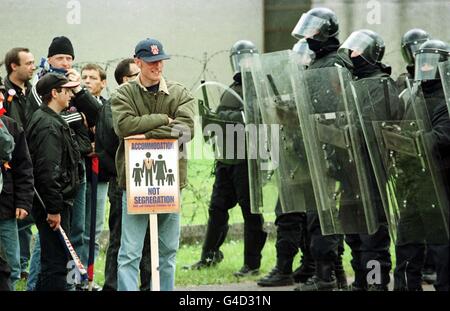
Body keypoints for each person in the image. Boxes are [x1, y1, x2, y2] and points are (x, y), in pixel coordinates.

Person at [111, 38, 195, 291]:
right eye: (150, 62)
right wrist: (162, 119)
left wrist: (146, 134)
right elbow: (123, 127)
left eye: (160, 61)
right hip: (135, 183)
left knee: (168, 249)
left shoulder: (179, 92)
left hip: (170, 182)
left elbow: (186, 130)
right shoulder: (123, 93)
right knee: (130, 251)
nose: (157, 66)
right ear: (138, 62)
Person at [185, 40, 268, 277]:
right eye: (239, 58)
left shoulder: (261, 87)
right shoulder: (232, 88)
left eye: (247, 58)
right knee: (217, 208)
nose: (243, 63)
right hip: (226, 158)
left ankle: (252, 264)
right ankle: (209, 256)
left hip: (248, 160)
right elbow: (226, 119)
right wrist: (214, 117)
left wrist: (224, 116)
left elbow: (255, 117)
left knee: (250, 212)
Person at [26, 36, 101, 290]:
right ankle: (40, 284)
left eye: (70, 58)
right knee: (53, 243)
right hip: (53, 186)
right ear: (50, 58)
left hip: (73, 174)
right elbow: (50, 127)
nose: (66, 62)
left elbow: (97, 117)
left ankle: (70, 284)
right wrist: (77, 121)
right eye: (60, 57)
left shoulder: (71, 89)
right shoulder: (43, 87)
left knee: (73, 233)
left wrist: (79, 90)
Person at [336, 29, 402, 291]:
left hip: (372, 170)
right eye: (351, 49)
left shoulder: (383, 85)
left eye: (358, 50)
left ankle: (377, 281)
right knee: (352, 230)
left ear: (372, 54)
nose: (352, 54)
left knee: (372, 232)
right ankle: (362, 279)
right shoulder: (352, 85)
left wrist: (346, 128)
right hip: (350, 170)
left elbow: (373, 128)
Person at [393, 39, 450, 291]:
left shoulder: (447, 99)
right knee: (407, 241)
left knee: (441, 244)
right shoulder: (413, 94)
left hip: (440, 182)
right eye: (422, 62)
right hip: (413, 182)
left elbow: (442, 137)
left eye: (431, 62)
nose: (425, 68)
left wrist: (412, 140)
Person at [98, 58, 152, 291]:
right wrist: (123, 172)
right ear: (124, 80)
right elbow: (109, 145)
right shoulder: (112, 106)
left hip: (148, 180)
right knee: (121, 239)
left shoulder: (147, 102)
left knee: (149, 238)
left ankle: (149, 284)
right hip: (122, 181)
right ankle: (113, 285)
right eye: (134, 75)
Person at [26, 73, 82, 290]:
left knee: (54, 261)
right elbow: (49, 171)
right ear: (54, 93)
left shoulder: (51, 119)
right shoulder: (48, 125)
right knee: (57, 264)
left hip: (55, 202)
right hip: (51, 206)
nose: (70, 95)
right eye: (66, 90)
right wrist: (54, 209)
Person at [397, 28, 436, 285]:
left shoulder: (441, 81)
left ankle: (433, 266)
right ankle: (415, 270)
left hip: (436, 158)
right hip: (410, 160)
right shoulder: (403, 83)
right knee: (413, 221)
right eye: (413, 50)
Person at [3, 47, 36, 281]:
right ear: (14, 66)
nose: (33, 67)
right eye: (28, 63)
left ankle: (22, 271)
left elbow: (23, 166)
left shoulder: (12, 126)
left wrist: (23, 200)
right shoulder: (10, 96)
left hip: (7, 202)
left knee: (12, 264)